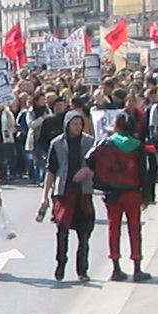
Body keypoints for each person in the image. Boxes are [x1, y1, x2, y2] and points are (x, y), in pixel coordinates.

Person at [88, 111, 150, 282]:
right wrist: (146, 195)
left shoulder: (107, 143)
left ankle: (116, 268)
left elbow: (89, 159)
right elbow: (143, 172)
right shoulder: (137, 145)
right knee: (134, 229)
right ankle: (137, 267)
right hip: (133, 191)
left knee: (113, 228)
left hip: (111, 192)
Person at [42, 111, 96, 283]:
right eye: (74, 124)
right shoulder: (57, 143)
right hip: (64, 192)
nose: (78, 127)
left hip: (83, 192)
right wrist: (45, 196)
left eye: (80, 124)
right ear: (67, 125)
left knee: (84, 233)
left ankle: (82, 270)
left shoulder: (89, 142)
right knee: (62, 230)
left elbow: (98, 164)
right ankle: (61, 263)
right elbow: (51, 170)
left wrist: (86, 170)